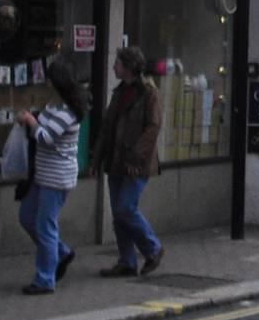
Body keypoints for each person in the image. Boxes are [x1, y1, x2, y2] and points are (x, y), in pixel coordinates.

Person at [15, 58, 87, 295]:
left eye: (49, 78)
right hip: (42, 173)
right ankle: (61, 252)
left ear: (56, 82)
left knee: (45, 226)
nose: (46, 82)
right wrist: (31, 120)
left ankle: (45, 279)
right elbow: (41, 130)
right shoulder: (52, 105)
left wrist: (31, 121)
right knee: (27, 216)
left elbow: (46, 137)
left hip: (57, 177)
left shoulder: (68, 111)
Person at [93, 43, 164, 278]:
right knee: (118, 213)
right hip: (116, 160)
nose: (114, 67)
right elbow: (107, 127)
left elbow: (153, 127)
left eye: (117, 63)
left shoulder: (148, 93)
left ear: (129, 67)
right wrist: (96, 158)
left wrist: (136, 156)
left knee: (125, 208)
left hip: (136, 163)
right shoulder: (119, 92)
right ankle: (127, 261)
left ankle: (152, 248)